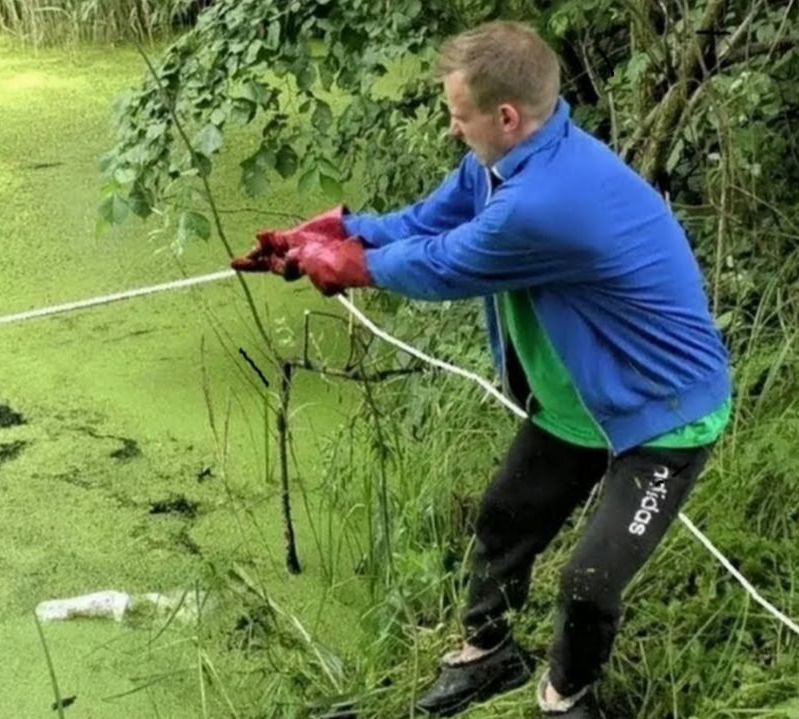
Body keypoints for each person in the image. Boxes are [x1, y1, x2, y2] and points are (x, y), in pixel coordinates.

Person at [232, 19, 732, 719]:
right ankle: (488, 653)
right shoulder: (501, 162)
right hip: (576, 399)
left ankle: (567, 697)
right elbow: (424, 223)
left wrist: (347, 265)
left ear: (505, 116)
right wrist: (333, 233)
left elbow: (445, 263)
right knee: (504, 518)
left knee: (588, 580)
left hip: (665, 411)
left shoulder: (550, 200)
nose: (450, 129)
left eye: (457, 116)